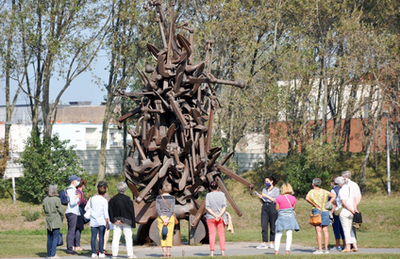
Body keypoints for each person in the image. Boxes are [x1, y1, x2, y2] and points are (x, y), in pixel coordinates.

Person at [305, 178, 336, 254]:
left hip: (316, 211)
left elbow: (307, 198)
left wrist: (314, 204)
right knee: (325, 230)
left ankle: (319, 249)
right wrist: (329, 202)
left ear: (313, 184)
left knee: (318, 231)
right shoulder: (324, 191)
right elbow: (334, 195)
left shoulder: (311, 192)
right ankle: (326, 249)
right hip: (325, 211)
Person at [109, 182, 137, 259]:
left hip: (116, 221)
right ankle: (130, 254)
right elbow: (131, 211)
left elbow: (110, 210)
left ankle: (114, 255)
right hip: (126, 221)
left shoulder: (113, 199)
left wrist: (114, 220)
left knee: (115, 237)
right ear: (125, 190)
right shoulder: (128, 199)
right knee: (128, 237)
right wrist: (132, 222)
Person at [274, 183, 299, 255]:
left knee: (279, 233)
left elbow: (277, 208)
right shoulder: (293, 198)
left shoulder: (278, 197)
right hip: (290, 217)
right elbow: (293, 208)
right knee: (289, 233)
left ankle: (276, 251)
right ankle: (287, 251)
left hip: (281, 216)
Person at [335, 176, 359, 253]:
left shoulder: (341, 190)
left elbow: (343, 202)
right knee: (351, 229)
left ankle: (348, 247)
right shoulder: (350, 189)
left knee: (346, 229)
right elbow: (354, 199)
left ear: (339, 183)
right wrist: (354, 209)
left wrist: (349, 209)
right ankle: (355, 246)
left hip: (345, 211)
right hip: (352, 211)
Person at [86, 182, 110, 258]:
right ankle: (101, 252)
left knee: (93, 236)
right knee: (101, 237)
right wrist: (108, 223)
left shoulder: (92, 198)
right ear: (105, 191)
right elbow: (106, 213)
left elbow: (86, 208)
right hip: (102, 221)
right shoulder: (104, 200)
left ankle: (93, 253)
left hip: (93, 220)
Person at [205, 181, 228, 257]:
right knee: (221, 234)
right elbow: (224, 206)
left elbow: (207, 207)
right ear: (217, 187)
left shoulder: (208, 195)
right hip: (221, 217)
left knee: (212, 235)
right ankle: (222, 252)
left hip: (210, 218)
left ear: (210, 187)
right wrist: (219, 215)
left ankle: (212, 252)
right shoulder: (222, 194)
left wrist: (215, 215)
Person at [256, 175, 279, 249]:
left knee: (273, 225)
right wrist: (260, 198)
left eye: (268, 181)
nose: (266, 183)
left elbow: (274, 200)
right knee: (264, 225)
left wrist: (265, 195)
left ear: (272, 181)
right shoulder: (264, 190)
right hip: (265, 207)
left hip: (272, 206)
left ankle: (272, 241)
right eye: (265, 182)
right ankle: (264, 242)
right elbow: (263, 201)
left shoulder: (276, 190)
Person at [43, 184, 64, 259]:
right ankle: (53, 254)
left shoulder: (45, 199)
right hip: (56, 219)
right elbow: (61, 211)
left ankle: (49, 254)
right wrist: (62, 218)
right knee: (55, 237)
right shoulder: (57, 199)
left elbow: (44, 209)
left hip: (48, 219)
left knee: (49, 237)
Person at [156, 182, 176, 258]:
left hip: (161, 218)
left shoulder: (158, 198)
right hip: (170, 218)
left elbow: (158, 209)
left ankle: (164, 253)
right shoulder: (172, 198)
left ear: (163, 189)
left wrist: (163, 219)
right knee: (169, 235)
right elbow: (172, 209)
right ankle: (168, 253)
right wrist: (167, 218)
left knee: (162, 235)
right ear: (170, 189)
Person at [342, 170, 362, 241]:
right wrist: (355, 206)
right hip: (354, 207)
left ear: (344, 176)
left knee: (346, 227)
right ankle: (354, 242)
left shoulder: (344, 185)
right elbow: (359, 197)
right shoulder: (355, 184)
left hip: (346, 208)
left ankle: (349, 243)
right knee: (353, 226)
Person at [66, 175, 81, 255]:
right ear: (73, 181)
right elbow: (72, 202)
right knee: (71, 231)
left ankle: (70, 247)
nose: (78, 182)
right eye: (77, 180)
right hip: (72, 212)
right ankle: (69, 248)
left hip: (72, 212)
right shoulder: (71, 190)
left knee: (71, 230)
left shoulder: (72, 189)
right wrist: (77, 198)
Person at [96, 181, 112, 255]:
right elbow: (108, 208)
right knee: (105, 234)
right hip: (104, 218)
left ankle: (96, 249)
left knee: (97, 234)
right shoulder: (107, 196)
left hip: (96, 218)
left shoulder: (94, 196)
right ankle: (103, 249)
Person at [330, 176, 345, 251]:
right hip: (344, 210)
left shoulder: (333, 190)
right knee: (343, 228)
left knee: (337, 229)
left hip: (336, 211)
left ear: (333, 182)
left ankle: (338, 245)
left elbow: (334, 202)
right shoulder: (343, 189)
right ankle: (345, 244)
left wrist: (331, 213)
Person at [74, 179, 87, 251]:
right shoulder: (80, 193)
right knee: (78, 229)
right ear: (82, 185)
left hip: (73, 212)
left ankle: (72, 245)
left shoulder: (74, 191)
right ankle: (77, 245)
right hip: (79, 212)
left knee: (73, 229)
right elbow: (80, 202)